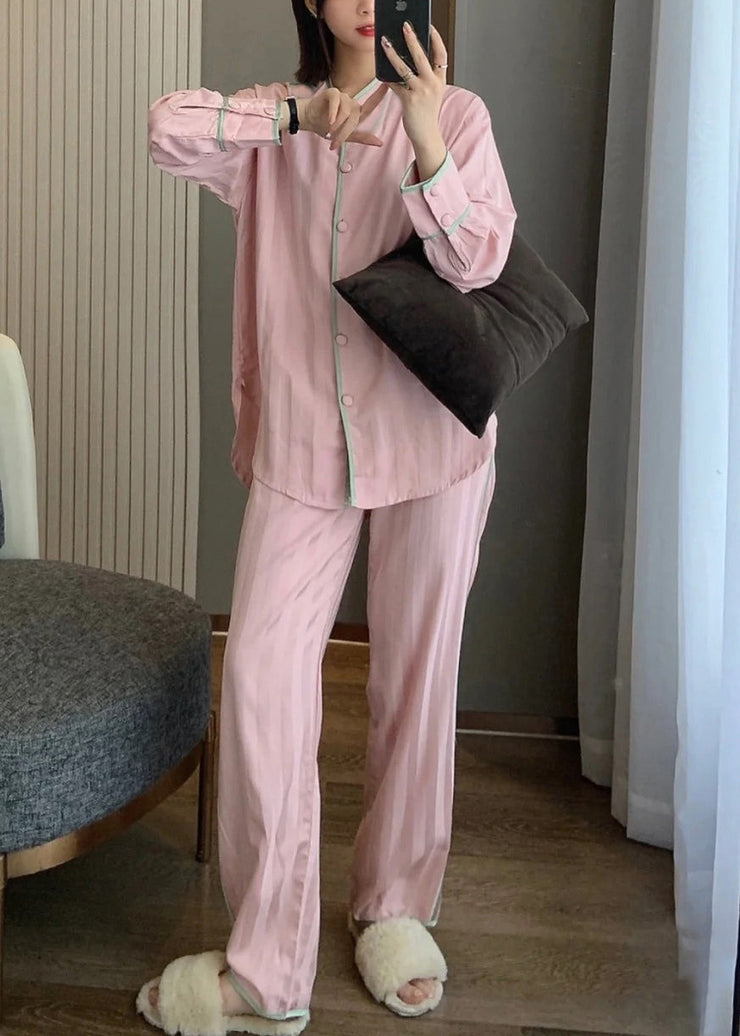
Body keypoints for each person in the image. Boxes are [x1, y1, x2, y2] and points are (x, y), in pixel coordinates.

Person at [139, 1, 516, 1033]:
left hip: (432, 440)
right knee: (261, 678)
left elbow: (478, 261)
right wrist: (294, 123)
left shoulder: (458, 115)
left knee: (416, 677)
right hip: (305, 444)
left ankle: (395, 907)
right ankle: (269, 964)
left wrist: (426, 135)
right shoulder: (274, 120)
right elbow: (167, 129)